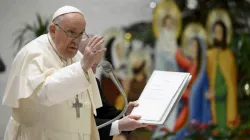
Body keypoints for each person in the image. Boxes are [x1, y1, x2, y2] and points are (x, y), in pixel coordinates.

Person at [2, 6, 146, 140]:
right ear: (53, 30)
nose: (76, 41)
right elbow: (44, 94)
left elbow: (89, 114)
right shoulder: (33, 54)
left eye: (80, 34)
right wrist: (82, 68)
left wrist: (124, 115)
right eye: (71, 32)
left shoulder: (76, 58)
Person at [79, 36, 147, 140]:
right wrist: (119, 125)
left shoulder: (94, 82)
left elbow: (106, 113)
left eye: (96, 66)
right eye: (92, 65)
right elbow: (79, 123)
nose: (94, 72)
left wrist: (126, 115)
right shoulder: (67, 85)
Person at [206, 20, 238, 129]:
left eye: (220, 32)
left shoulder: (229, 55)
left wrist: (218, 92)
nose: (217, 35)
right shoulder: (209, 55)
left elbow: (231, 83)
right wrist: (208, 92)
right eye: (215, 32)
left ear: (224, 34)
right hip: (212, 103)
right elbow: (205, 77)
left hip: (225, 104)